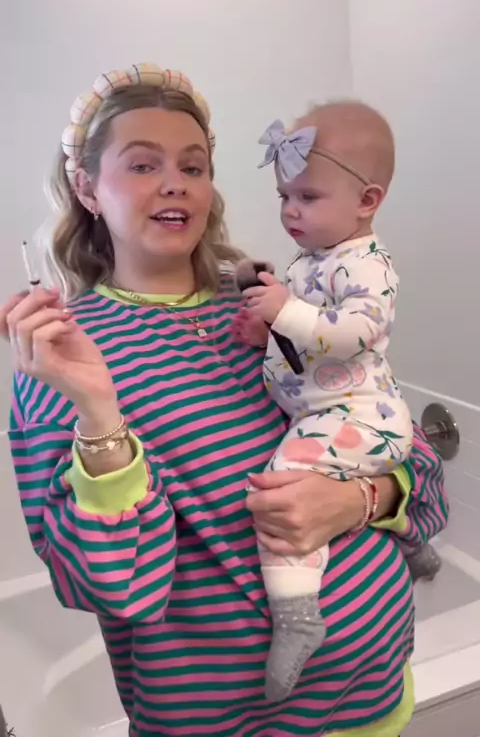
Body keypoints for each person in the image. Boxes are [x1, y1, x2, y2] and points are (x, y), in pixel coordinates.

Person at [1, 63, 448, 737]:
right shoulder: (65, 353)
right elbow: (111, 584)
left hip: (378, 693)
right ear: (87, 188)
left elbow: (419, 469)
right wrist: (99, 414)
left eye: (193, 165)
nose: (175, 182)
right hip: (230, 722)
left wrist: (361, 499)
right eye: (143, 165)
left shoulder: (274, 303)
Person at [233, 103, 420, 702]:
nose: (290, 210)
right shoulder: (315, 258)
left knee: (285, 484)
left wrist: (286, 311)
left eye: (307, 197)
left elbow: (356, 332)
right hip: (330, 411)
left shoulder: (369, 264)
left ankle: (297, 616)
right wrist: (269, 329)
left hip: (358, 415)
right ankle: (414, 545)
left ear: (367, 200)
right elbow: (307, 343)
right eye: (284, 196)